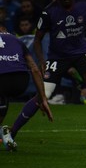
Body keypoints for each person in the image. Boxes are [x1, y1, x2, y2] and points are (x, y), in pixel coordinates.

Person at [9, 0, 86, 141]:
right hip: (58, 57)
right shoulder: (49, 12)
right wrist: (42, 61)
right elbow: (38, 39)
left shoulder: (84, 5)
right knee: (43, 95)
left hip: (81, 53)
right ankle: (11, 132)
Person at [0, 23, 52, 151]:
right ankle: (9, 135)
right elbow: (34, 69)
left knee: (2, 93)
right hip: (21, 82)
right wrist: (42, 98)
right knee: (3, 97)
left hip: (1, 80)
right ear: (5, 29)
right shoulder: (17, 40)